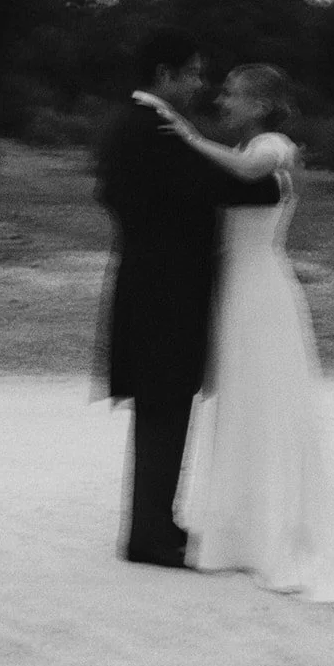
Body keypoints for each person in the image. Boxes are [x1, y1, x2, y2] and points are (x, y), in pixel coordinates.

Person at [135, 64, 334, 606]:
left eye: (231, 92)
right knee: (244, 405)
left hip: (260, 293)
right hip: (235, 292)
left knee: (266, 402)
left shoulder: (272, 144)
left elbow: (252, 170)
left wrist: (186, 136)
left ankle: (273, 531)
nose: (221, 98)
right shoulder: (244, 142)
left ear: (260, 102)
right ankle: (245, 526)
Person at [95, 30, 283, 569]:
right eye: (194, 72)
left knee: (163, 406)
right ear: (164, 74)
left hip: (150, 284)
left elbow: (113, 194)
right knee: (165, 406)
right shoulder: (153, 129)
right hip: (166, 292)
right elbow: (240, 189)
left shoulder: (134, 126)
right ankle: (149, 536)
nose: (201, 83)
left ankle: (156, 523)